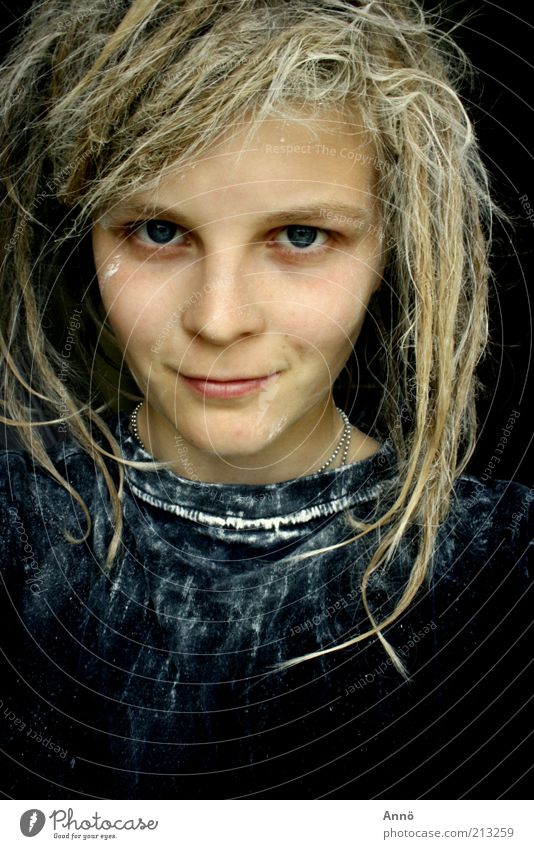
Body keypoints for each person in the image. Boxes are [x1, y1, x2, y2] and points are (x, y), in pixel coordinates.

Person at [0, 0, 531, 800]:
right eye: (156, 230)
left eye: (301, 236)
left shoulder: (507, 571)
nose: (219, 319)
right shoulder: (14, 536)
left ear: (395, 237)